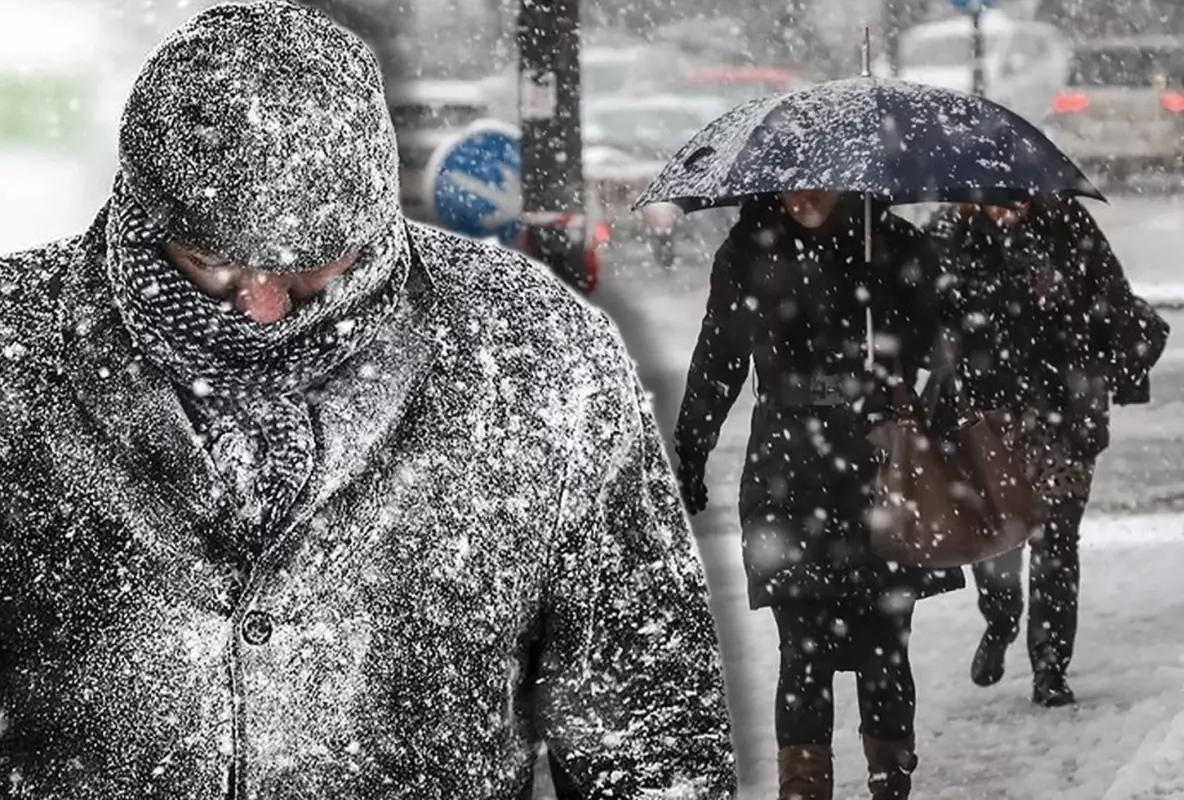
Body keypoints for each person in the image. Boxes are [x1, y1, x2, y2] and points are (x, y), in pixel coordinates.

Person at [0, 4, 738, 798]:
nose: (263, 308)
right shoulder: (16, 357)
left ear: (375, 219)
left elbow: (652, 730)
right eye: (209, 262)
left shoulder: (537, 355)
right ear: (144, 217)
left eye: (312, 267)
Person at [675, 190, 964, 800]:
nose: (806, 193)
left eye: (821, 181)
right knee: (801, 650)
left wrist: (886, 337)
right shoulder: (749, 252)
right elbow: (720, 355)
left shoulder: (891, 245)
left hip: (880, 469)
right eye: (792, 181)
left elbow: (944, 343)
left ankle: (890, 779)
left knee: (886, 646)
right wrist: (692, 446)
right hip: (788, 474)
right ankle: (803, 789)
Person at [924, 198, 1168, 708]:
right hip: (985, 418)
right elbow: (922, 317)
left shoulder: (1069, 224)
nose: (1007, 209)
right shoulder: (950, 233)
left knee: (1056, 545)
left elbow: (1113, 303)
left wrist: (1067, 299)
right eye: (993, 198)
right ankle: (1001, 620)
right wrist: (976, 296)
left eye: (1016, 198)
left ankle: (1051, 666)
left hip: (1062, 417)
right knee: (996, 544)